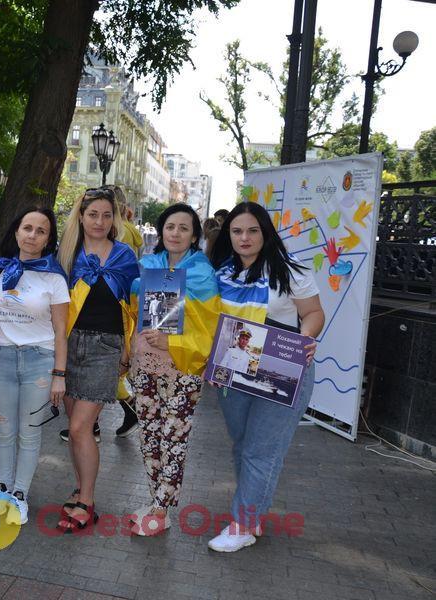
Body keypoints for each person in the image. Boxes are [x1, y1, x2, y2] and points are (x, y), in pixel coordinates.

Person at [207, 201, 324, 552]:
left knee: (261, 450)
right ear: (229, 235)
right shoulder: (220, 273)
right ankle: (253, 514)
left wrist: (306, 338)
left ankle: (242, 524)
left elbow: (314, 313)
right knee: (244, 446)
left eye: (252, 230)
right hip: (234, 369)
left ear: (265, 232)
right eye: (237, 231)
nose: (244, 238)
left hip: (282, 367)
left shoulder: (291, 271)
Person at [126, 203, 220, 536]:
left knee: (174, 438)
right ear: (161, 231)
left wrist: (173, 342)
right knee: (149, 436)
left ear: (194, 235)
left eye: (183, 228)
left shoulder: (203, 274)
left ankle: (163, 508)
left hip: (182, 367)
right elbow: (133, 314)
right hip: (145, 364)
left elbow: (210, 326)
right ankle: (155, 503)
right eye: (170, 227)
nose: (176, 233)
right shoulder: (146, 267)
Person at [54, 188, 139, 531]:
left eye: (107, 215)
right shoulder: (66, 256)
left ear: (114, 219)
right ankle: (79, 487)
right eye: (93, 215)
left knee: (80, 427)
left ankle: (87, 500)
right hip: (68, 346)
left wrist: (127, 350)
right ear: (81, 217)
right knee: (77, 432)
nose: (100, 222)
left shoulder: (125, 257)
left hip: (105, 349)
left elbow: (134, 308)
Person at [0, 207, 69, 527]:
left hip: (39, 363)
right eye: (26, 228)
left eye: (40, 231)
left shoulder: (54, 277)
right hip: (2, 360)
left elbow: (61, 330)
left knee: (29, 435)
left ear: (48, 239)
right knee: (4, 430)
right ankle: (2, 490)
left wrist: (59, 375)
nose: (32, 235)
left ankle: (20, 495)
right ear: (16, 232)